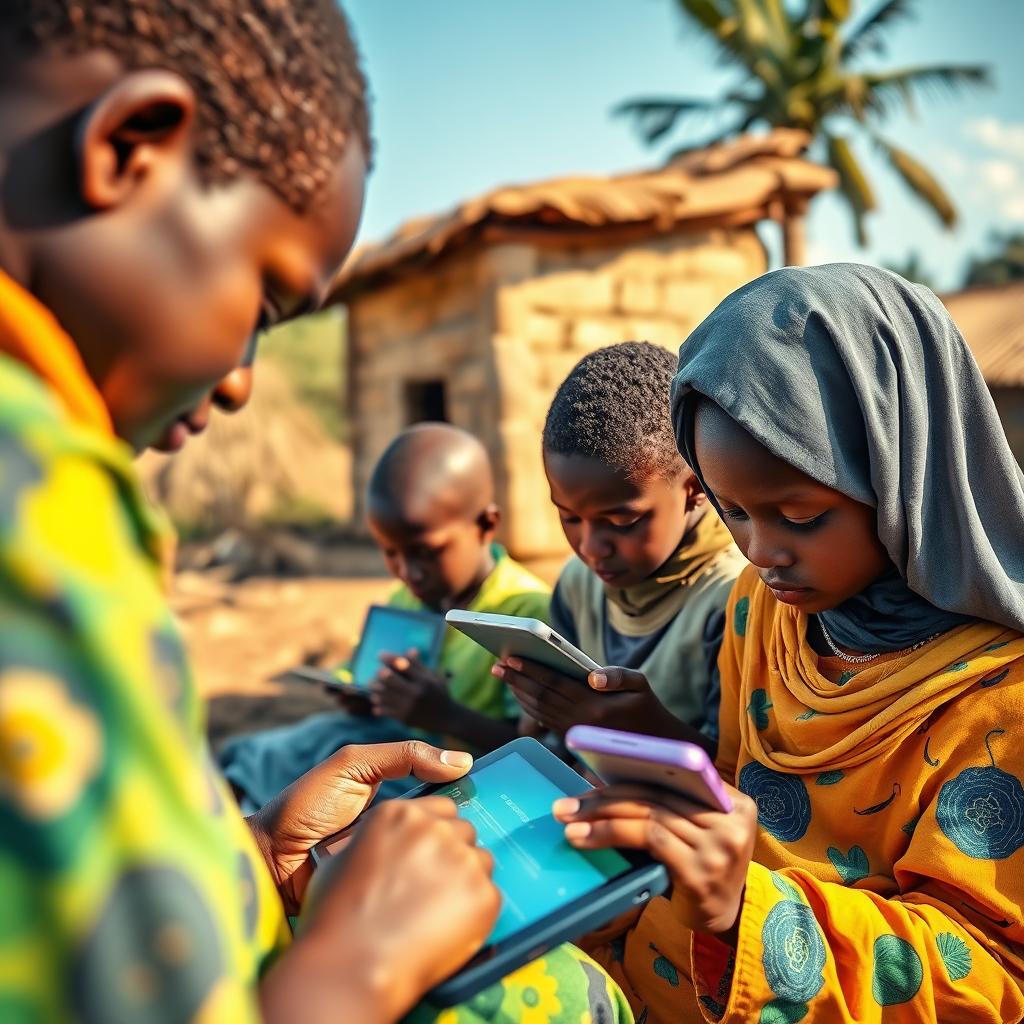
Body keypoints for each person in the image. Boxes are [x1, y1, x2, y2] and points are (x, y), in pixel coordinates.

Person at [0, 3, 630, 1021]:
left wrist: (256, 858)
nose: (245, 378)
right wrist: (359, 966)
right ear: (129, 148)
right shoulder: (40, 502)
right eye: (263, 301)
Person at [548, 264, 1024, 1023]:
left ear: (902, 471)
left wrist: (749, 910)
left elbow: (989, 977)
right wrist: (663, 751)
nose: (761, 550)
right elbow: (740, 800)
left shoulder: (1002, 704)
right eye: (733, 512)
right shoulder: (762, 614)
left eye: (799, 516)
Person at [219, 422, 551, 810]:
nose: (408, 572)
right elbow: (367, 683)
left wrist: (447, 716)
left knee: (365, 798)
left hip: (464, 775)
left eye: (427, 553)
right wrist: (362, 696)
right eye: (391, 553)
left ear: (485, 525)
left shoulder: (525, 613)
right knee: (302, 741)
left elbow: (540, 751)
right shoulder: (407, 598)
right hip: (390, 740)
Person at [497, 342, 746, 747]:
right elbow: (558, 742)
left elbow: (744, 777)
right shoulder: (579, 583)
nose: (592, 547)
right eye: (569, 517)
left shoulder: (735, 599)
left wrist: (643, 732)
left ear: (696, 488)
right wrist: (542, 713)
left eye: (622, 521)